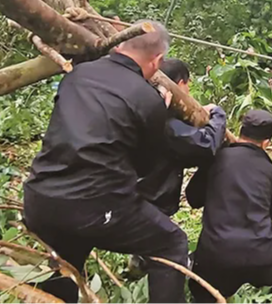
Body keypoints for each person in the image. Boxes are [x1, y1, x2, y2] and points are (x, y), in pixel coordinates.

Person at [23, 21, 189, 304]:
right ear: (157, 60)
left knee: (66, 262)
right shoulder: (147, 98)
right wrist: (157, 110)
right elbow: (146, 166)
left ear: (120, 45)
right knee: (172, 243)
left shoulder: (78, 74)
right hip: (96, 206)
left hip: (41, 199)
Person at [186, 110, 272, 304]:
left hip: (219, 252)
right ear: (266, 142)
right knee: (270, 274)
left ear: (240, 130)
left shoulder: (216, 158)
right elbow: (270, 211)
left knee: (202, 288)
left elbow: (193, 198)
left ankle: (216, 296)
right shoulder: (271, 171)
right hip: (262, 253)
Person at [132, 58, 227, 274]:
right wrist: (218, 115)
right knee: (173, 244)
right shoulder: (166, 123)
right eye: (187, 86)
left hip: (141, 193)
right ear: (179, 84)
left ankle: (140, 267)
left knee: (150, 244)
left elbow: (184, 152)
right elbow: (205, 145)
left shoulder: (144, 107)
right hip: (148, 199)